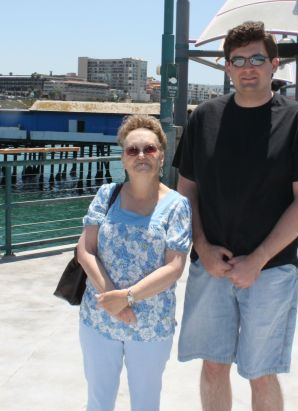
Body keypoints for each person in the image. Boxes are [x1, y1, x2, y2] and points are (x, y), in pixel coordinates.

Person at [173, 21, 298, 411]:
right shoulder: (203, 117)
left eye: (257, 58)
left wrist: (257, 260)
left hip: (271, 271)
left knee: (261, 372)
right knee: (212, 367)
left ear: (274, 65)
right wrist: (202, 247)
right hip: (210, 267)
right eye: (237, 60)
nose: (247, 67)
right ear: (227, 68)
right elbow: (186, 190)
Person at [76, 114, 192, 411]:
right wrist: (112, 298)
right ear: (124, 159)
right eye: (132, 150)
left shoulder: (177, 205)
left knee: (145, 403)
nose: (141, 156)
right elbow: (85, 251)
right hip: (100, 319)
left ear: (162, 156)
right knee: (98, 401)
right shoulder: (106, 195)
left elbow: (174, 267)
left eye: (149, 149)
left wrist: (127, 298)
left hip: (151, 325)